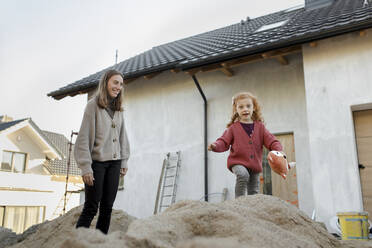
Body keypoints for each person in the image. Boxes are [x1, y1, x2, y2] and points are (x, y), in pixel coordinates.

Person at [74, 69, 130, 234]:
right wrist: (86, 167)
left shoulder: (119, 109)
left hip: (114, 163)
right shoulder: (93, 106)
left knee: (107, 208)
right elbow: (83, 138)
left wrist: (124, 160)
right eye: (115, 82)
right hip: (96, 164)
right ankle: (77, 244)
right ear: (106, 82)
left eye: (120, 84)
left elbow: (122, 136)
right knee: (91, 207)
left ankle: (100, 242)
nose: (118, 87)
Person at [208, 92, 284, 198]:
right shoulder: (233, 128)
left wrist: (278, 149)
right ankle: (239, 201)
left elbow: (271, 140)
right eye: (241, 107)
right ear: (236, 110)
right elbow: (223, 142)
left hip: (255, 165)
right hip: (237, 162)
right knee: (243, 175)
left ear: (254, 108)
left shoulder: (260, 128)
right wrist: (215, 146)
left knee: (254, 191)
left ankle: (251, 209)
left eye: (248, 106)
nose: (245, 109)